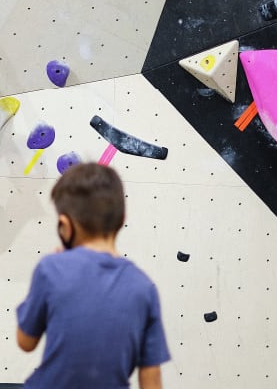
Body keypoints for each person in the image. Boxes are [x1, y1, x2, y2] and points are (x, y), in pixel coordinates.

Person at [16, 163, 170, 389]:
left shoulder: (51, 268)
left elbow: (26, 342)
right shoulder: (143, 286)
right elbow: (151, 374)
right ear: (121, 219)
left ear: (65, 226)